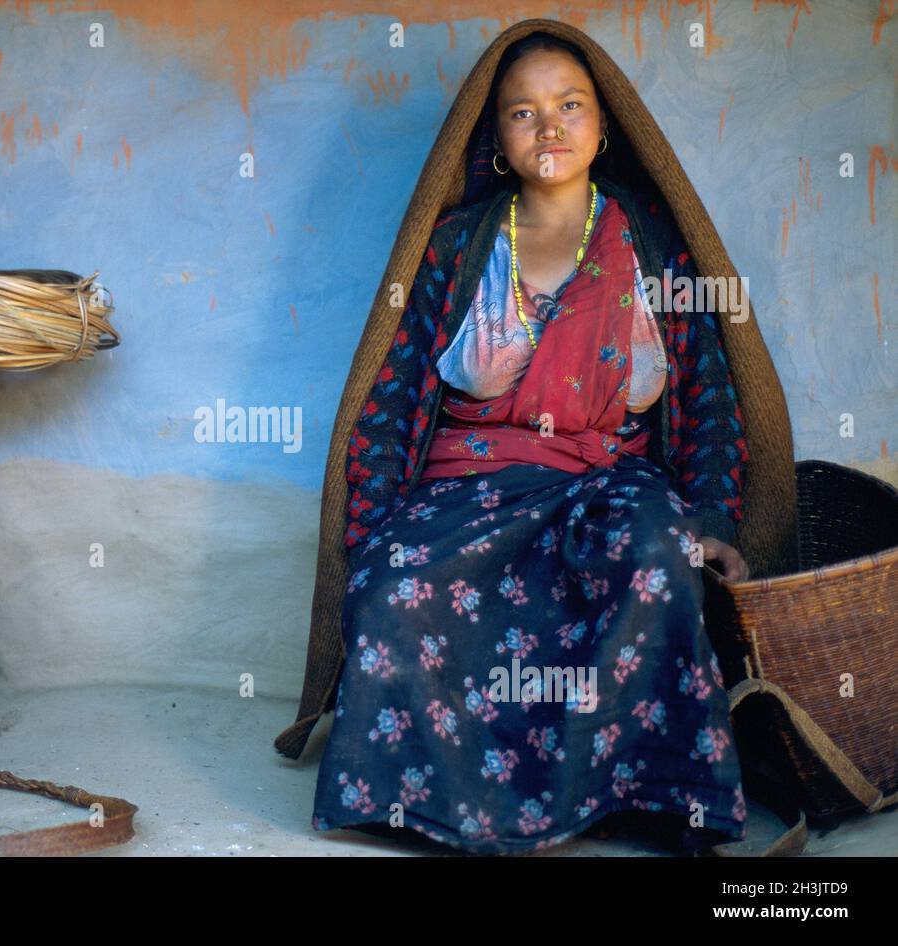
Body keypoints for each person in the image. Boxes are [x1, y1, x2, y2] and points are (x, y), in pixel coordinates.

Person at [310, 31, 752, 854]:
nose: (549, 128)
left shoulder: (651, 245)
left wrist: (718, 514)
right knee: (390, 594)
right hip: (471, 484)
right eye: (524, 112)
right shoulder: (456, 246)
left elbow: (714, 393)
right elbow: (391, 393)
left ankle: (638, 794)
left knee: (659, 561)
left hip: (611, 479)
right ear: (499, 141)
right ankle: (444, 801)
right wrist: (370, 536)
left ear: (605, 126)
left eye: (569, 105)